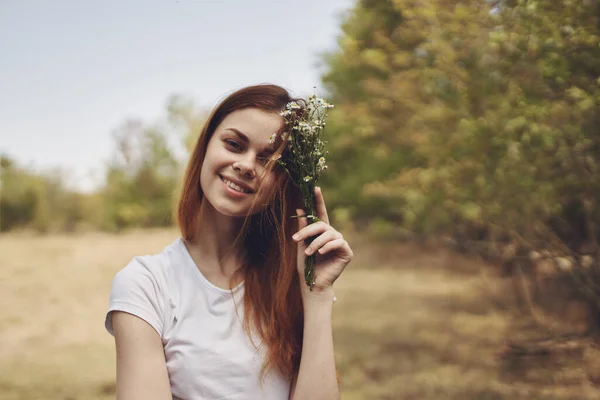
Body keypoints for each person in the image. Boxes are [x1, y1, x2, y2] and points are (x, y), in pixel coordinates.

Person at [104, 84, 354, 400]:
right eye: (234, 144)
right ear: (206, 147)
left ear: (283, 184)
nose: (247, 165)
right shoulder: (146, 285)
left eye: (269, 161)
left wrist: (317, 295)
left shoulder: (291, 284)